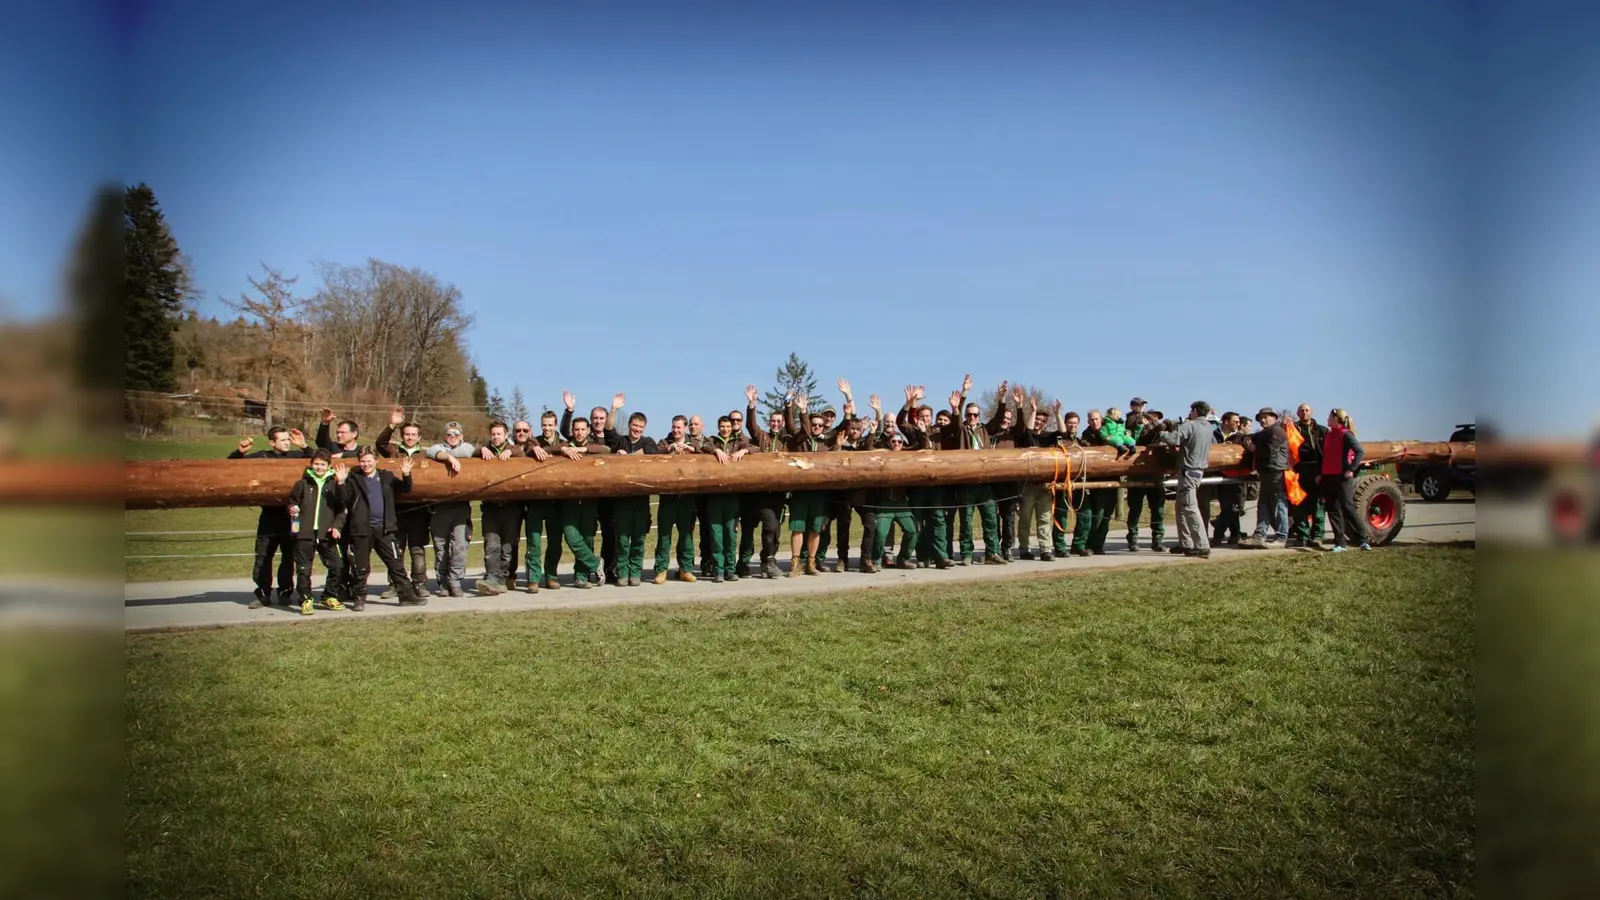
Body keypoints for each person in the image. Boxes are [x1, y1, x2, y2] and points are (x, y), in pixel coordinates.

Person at [228, 425, 311, 607]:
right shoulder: (262, 456)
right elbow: (231, 465)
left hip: (292, 516)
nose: (287, 443)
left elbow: (320, 461)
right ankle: (263, 593)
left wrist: (304, 446)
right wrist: (240, 452)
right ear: (272, 442)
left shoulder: (297, 456)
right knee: (263, 556)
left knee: (289, 557)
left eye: (288, 439)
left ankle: (285, 592)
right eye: (283, 440)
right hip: (269, 516)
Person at [335, 446, 424, 610]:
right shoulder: (353, 479)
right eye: (362, 461)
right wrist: (340, 482)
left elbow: (405, 488)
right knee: (361, 567)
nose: (366, 464)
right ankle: (359, 599)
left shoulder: (386, 476)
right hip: (362, 530)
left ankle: (406, 596)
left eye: (369, 461)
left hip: (384, 529)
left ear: (376, 460)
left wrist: (406, 474)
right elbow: (343, 499)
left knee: (396, 564)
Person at [559, 391, 626, 584]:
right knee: (578, 535)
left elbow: (608, 449)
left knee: (606, 534)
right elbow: (563, 432)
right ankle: (589, 569)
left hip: (605, 495)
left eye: (601, 418)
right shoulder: (576, 438)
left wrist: (614, 409)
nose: (598, 421)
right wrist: (569, 410)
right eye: (595, 418)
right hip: (581, 495)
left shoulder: (610, 438)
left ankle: (605, 570)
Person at [375, 408, 432, 599]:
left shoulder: (425, 454)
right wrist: (392, 425)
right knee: (396, 550)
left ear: (419, 437)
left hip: (419, 510)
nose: (410, 437)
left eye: (413, 435)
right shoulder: (393, 452)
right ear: (402, 436)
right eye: (407, 434)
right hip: (396, 509)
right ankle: (395, 584)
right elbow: (380, 443)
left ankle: (419, 584)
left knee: (417, 550)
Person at [898, 384, 957, 570]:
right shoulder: (913, 431)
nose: (925, 419)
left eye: (927, 416)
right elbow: (900, 422)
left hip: (935, 484)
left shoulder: (938, 432)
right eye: (922, 416)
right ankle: (922, 556)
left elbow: (956, 426)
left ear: (931, 418)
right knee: (918, 521)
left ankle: (941, 557)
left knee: (938, 520)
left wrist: (956, 407)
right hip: (917, 485)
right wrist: (909, 404)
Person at [286, 448, 347, 615]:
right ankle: (306, 599)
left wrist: (337, 526)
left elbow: (342, 507)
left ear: (329, 466)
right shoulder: (302, 484)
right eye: (317, 464)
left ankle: (329, 596)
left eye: (323, 464)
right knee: (304, 569)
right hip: (304, 533)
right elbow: (292, 502)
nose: (319, 467)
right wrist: (292, 508)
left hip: (326, 533)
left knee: (337, 565)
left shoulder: (334, 484)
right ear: (311, 464)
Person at [557, 417, 613, 588]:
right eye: (576, 429)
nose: (579, 433)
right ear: (572, 431)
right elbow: (548, 448)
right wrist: (564, 450)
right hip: (569, 501)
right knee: (571, 537)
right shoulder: (565, 445)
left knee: (588, 539)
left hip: (590, 501)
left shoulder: (593, 446)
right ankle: (595, 564)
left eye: (582, 429)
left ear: (588, 430)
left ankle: (582, 576)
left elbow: (607, 449)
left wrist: (583, 449)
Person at [1159, 401, 1217, 557]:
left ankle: (1202, 545)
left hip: (1188, 471)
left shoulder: (1190, 425)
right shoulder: (1208, 427)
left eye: (1191, 410)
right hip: (1198, 470)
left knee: (1190, 507)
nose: (1190, 413)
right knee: (1181, 506)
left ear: (1195, 411)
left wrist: (1162, 432)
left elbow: (1173, 439)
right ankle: (1185, 542)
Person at [425, 421, 477, 595]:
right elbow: (431, 451)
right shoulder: (437, 449)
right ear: (444, 436)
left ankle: (455, 581)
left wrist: (447, 455)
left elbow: (467, 451)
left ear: (461, 436)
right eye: (449, 434)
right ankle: (443, 583)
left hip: (461, 507)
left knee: (459, 547)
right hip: (439, 507)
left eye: (456, 434)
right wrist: (448, 458)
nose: (452, 437)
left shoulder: (467, 448)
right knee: (441, 547)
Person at [785, 395, 834, 575]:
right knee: (797, 528)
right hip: (800, 493)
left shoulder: (825, 445)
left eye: (820, 425)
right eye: (814, 425)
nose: (817, 427)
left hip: (818, 494)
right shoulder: (800, 440)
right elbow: (797, 427)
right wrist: (802, 411)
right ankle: (795, 563)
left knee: (815, 529)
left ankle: (811, 563)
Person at [743, 386, 789, 578]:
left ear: (783, 423)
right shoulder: (763, 437)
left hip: (780, 494)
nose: (775, 424)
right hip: (762, 493)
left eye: (779, 421)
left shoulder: (787, 441)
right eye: (773, 421)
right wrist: (752, 404)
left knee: (775, 530)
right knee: (769, 526)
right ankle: (767, 562)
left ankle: (767, 561)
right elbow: (751, 426)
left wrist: (789, 405)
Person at [474, 421, 525, 595]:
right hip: (490, 507)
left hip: (511, 507)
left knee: (508, 546)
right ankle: (491, 578)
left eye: (499, 434)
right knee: (491, 545)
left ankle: (501, 579)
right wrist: (481, 449)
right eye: (493, 434)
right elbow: (472, 453)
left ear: (506, 435)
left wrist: (511, 451)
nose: (496, 437)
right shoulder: (485, 450)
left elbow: (522, 451)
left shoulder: (513, 450)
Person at [702, 414, 754, 582]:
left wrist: (744, 450)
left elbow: (756, 447)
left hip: (732, 498)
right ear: (719, 427)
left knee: (730, 536)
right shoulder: (712, 440)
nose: (725, 429)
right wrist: (716, 450)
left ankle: (730, 570)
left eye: (728, 427)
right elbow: (703, 445)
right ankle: (718, 570)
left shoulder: (738, 442)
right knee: (716, 536)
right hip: (714, 497)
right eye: (722, 426)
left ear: (732, 428)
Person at [611, 411, 660, 587]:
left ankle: (635, 572)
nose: (637, 429)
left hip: (641, 498)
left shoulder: (648, 441)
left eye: (640, 427)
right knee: (622, 539)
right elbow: (608, 431)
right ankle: (623, 573)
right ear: (629, 425)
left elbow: (651, 453)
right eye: (634, 425)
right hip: (622, 499)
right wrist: (614, 409)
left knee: (639, 538)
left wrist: (627, 458)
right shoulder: (620, 441)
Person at [519, 410, 565, 591]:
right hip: (536, 501)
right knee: (534, 542)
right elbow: (528, 446)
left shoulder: (564, 443)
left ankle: (551, 576)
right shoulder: (534, 441)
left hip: (556, 501)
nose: (547, 428)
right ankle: (533, 578)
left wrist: (550, 450)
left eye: (550, 425)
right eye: (544, 425)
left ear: (555, 426)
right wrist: (535, 449)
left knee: (555, 543)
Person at [653, 415, 700, 584]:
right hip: (668, 498)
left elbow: (705, 452)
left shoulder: (693, 443)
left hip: (687, 498)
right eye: (674, 427)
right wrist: (669, 449)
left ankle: (686, 570)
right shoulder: (664, 443)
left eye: (679, 427)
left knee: (686, 536)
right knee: (664, 536)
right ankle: (661, 570)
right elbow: (653, 454)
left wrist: (692, 450)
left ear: (685, 428)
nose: (676, 430)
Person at [1317, 408, 1370, 552]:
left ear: (1336, 418)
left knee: (1347, 507)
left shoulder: (1345, 434)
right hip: (1328, 477)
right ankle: (1340, 543)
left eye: (1329, 417)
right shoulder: (1328, 435)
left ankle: (1363, 540)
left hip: (1342, 477)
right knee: (1332, 509)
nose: (1327, 419)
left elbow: (1359, 451)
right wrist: (1321, 473)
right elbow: (1325, 456)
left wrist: (1351, 469)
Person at [1239, 407, 1290, 549]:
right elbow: (1251, 437)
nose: (1262, 420)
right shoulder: (1264, 433)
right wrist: (1246, 438)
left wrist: (1254, 449)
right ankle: (1259, 536)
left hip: (1276, 472)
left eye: (1265, 417)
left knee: (1279, 505)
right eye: (1260, 418)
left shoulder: (1277, 431)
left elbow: (1270, 450)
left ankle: (1281, 537)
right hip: (1266, 472)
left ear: (1274, 418)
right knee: (1263, 505)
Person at [1070, 409, 1118, 556]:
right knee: (1098, 515)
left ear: (1101, 419)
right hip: (1097, 480)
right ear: (1088, 421)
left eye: (1096, 419)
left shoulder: (1111, 431)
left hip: (1113, 478)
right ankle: (1089, 544)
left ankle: (1099, 545)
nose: (1094, 422)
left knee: (1107, 515)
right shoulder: (1087, 436)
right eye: (1091, 420)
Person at [1124, 409, 1168, 552]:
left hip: (1156, 477)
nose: (1155, 421)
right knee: (1135, 509)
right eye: (1152, 418)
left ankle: (1157, 540)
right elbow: (1139, 440)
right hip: (1137, 476)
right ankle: (1132, 538)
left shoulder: (1161, 434)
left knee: (1158, 510)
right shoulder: (1137, 432)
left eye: (1157, 418)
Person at [1288, 403, 1330, 549]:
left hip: (1317, 469)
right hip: (1299, 470)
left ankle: (1318, 535)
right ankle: (1303, 535)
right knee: (1299, 504)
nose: (1304, 413)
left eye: (1307, 410)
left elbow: (1328, 453)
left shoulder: (1322, 430)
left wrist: (1322, 472)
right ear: (1298, 414)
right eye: (1302, 411)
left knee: (1318, 504)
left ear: (1311, 412)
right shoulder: (1293, 429)